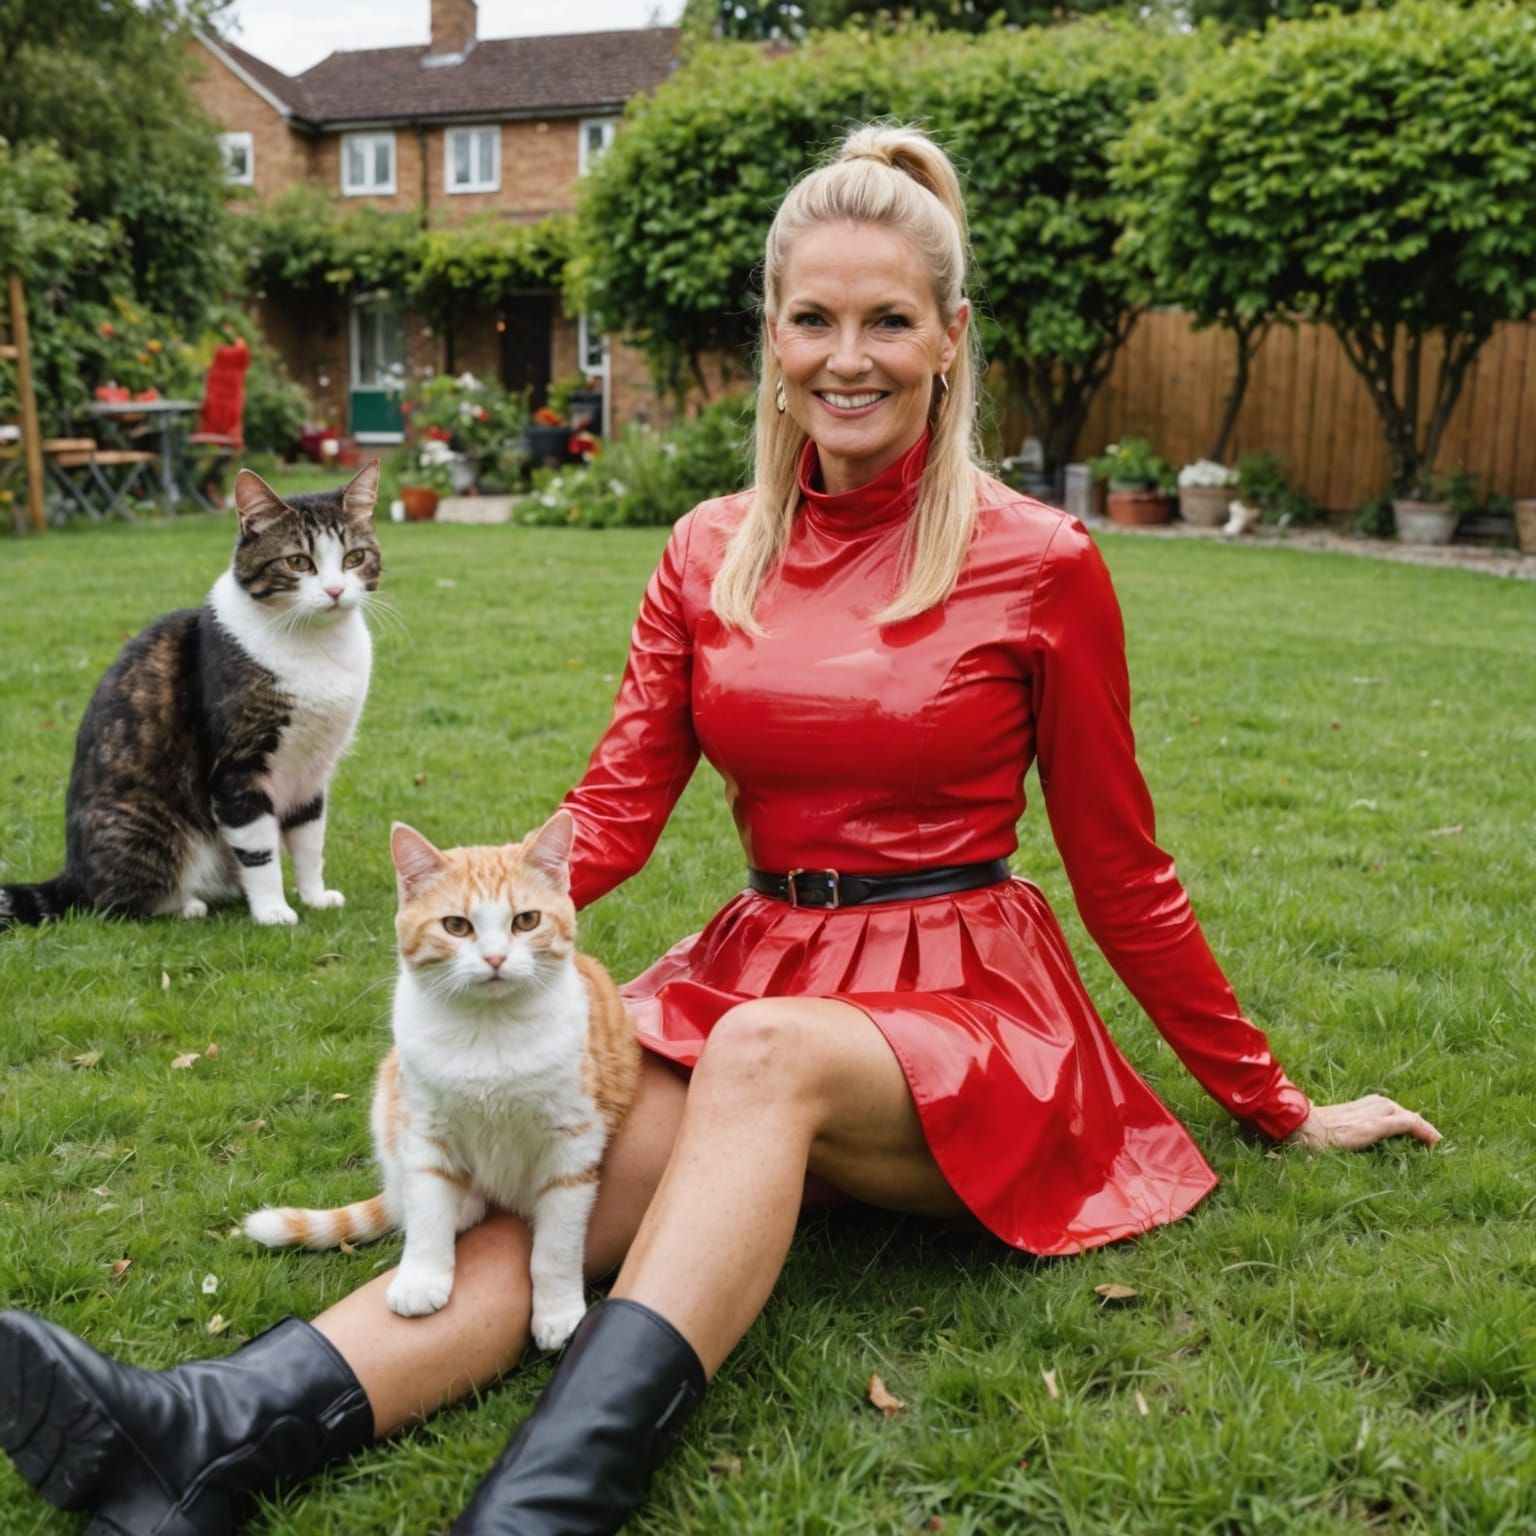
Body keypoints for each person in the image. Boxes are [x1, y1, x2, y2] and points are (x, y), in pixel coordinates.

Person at [0, 125, 1439, 1536]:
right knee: (570, 1174)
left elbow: (1124, 866)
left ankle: (548, 1506)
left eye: (889, 319)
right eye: (813, 318)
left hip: (968, 1009)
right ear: (772, 332)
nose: (848, 356)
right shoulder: (706, 548)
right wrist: (472, 891)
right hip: (767, 966)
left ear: (951, 334)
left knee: (758, 1048)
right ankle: (208, 1433)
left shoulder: (1041, 561)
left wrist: (1274, 1104)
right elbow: (616, 806)